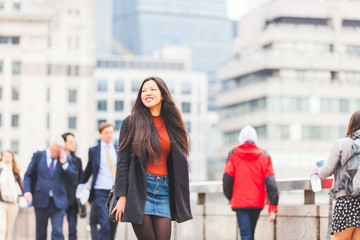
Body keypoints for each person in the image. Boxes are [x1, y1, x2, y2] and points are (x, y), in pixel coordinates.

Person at [112, 76, 193, 240]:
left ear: (162, 95)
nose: (147, 93)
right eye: (144, 90)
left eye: (152, 89)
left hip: (164, 190)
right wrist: (122, 197)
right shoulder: (131, 122)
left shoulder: (172, 123)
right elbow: (122, 162)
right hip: (140, 190)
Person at [223, 125, 279, 240]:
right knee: (249, 234)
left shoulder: (233, 154)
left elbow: (227, 179)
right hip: (257, 202)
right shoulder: (265, 156)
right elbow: (271, 183)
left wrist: (230, 198)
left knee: (246, 234)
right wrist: (273, 208)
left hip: (240, 202)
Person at [23, 136, 78, 240]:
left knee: (57, 231)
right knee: (40, 234)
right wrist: (27, 191)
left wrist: (64, 164)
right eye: (54, 151)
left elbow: (74, 178)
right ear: (49, 146)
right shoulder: (38, 156)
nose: (56, 154)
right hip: (40, 200)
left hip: (59, 202)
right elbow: (28, 176)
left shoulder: (66, 158)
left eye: (58, 151)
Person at [318, 110, 360, 240]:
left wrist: (318, 170)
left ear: (351, 123)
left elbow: (326, 172)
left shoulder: (341, 143)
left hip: (345, 202)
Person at [79, 122, 118, 240]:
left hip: (115, 192)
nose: (109, 135)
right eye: (106, 133)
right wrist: (80, 189)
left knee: (112, 226)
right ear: (101, 134)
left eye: (111, 132)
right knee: (104, 224)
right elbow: (88, 170)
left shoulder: (118, 149)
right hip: (100, 192)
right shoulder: (94, 150)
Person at [62, 132, 85, 240]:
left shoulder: (78, 161)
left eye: (74, 142)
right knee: (56, 229)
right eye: (71, 142)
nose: (73, 144)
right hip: (59, 199)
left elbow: (81, 180)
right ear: (64, 143)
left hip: (73, 200)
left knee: (72, 229)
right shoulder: (56, 158)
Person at [0, 150, 24, 240]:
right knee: (1, 228)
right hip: (1, 203)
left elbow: (21, 184)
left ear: (12, 158)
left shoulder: (15, 171)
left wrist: (26, 193)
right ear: (2, 157)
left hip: (13, 203)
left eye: (9, 157)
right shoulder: (1, 169)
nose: (7, 159)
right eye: (5, 156)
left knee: (8, 229)